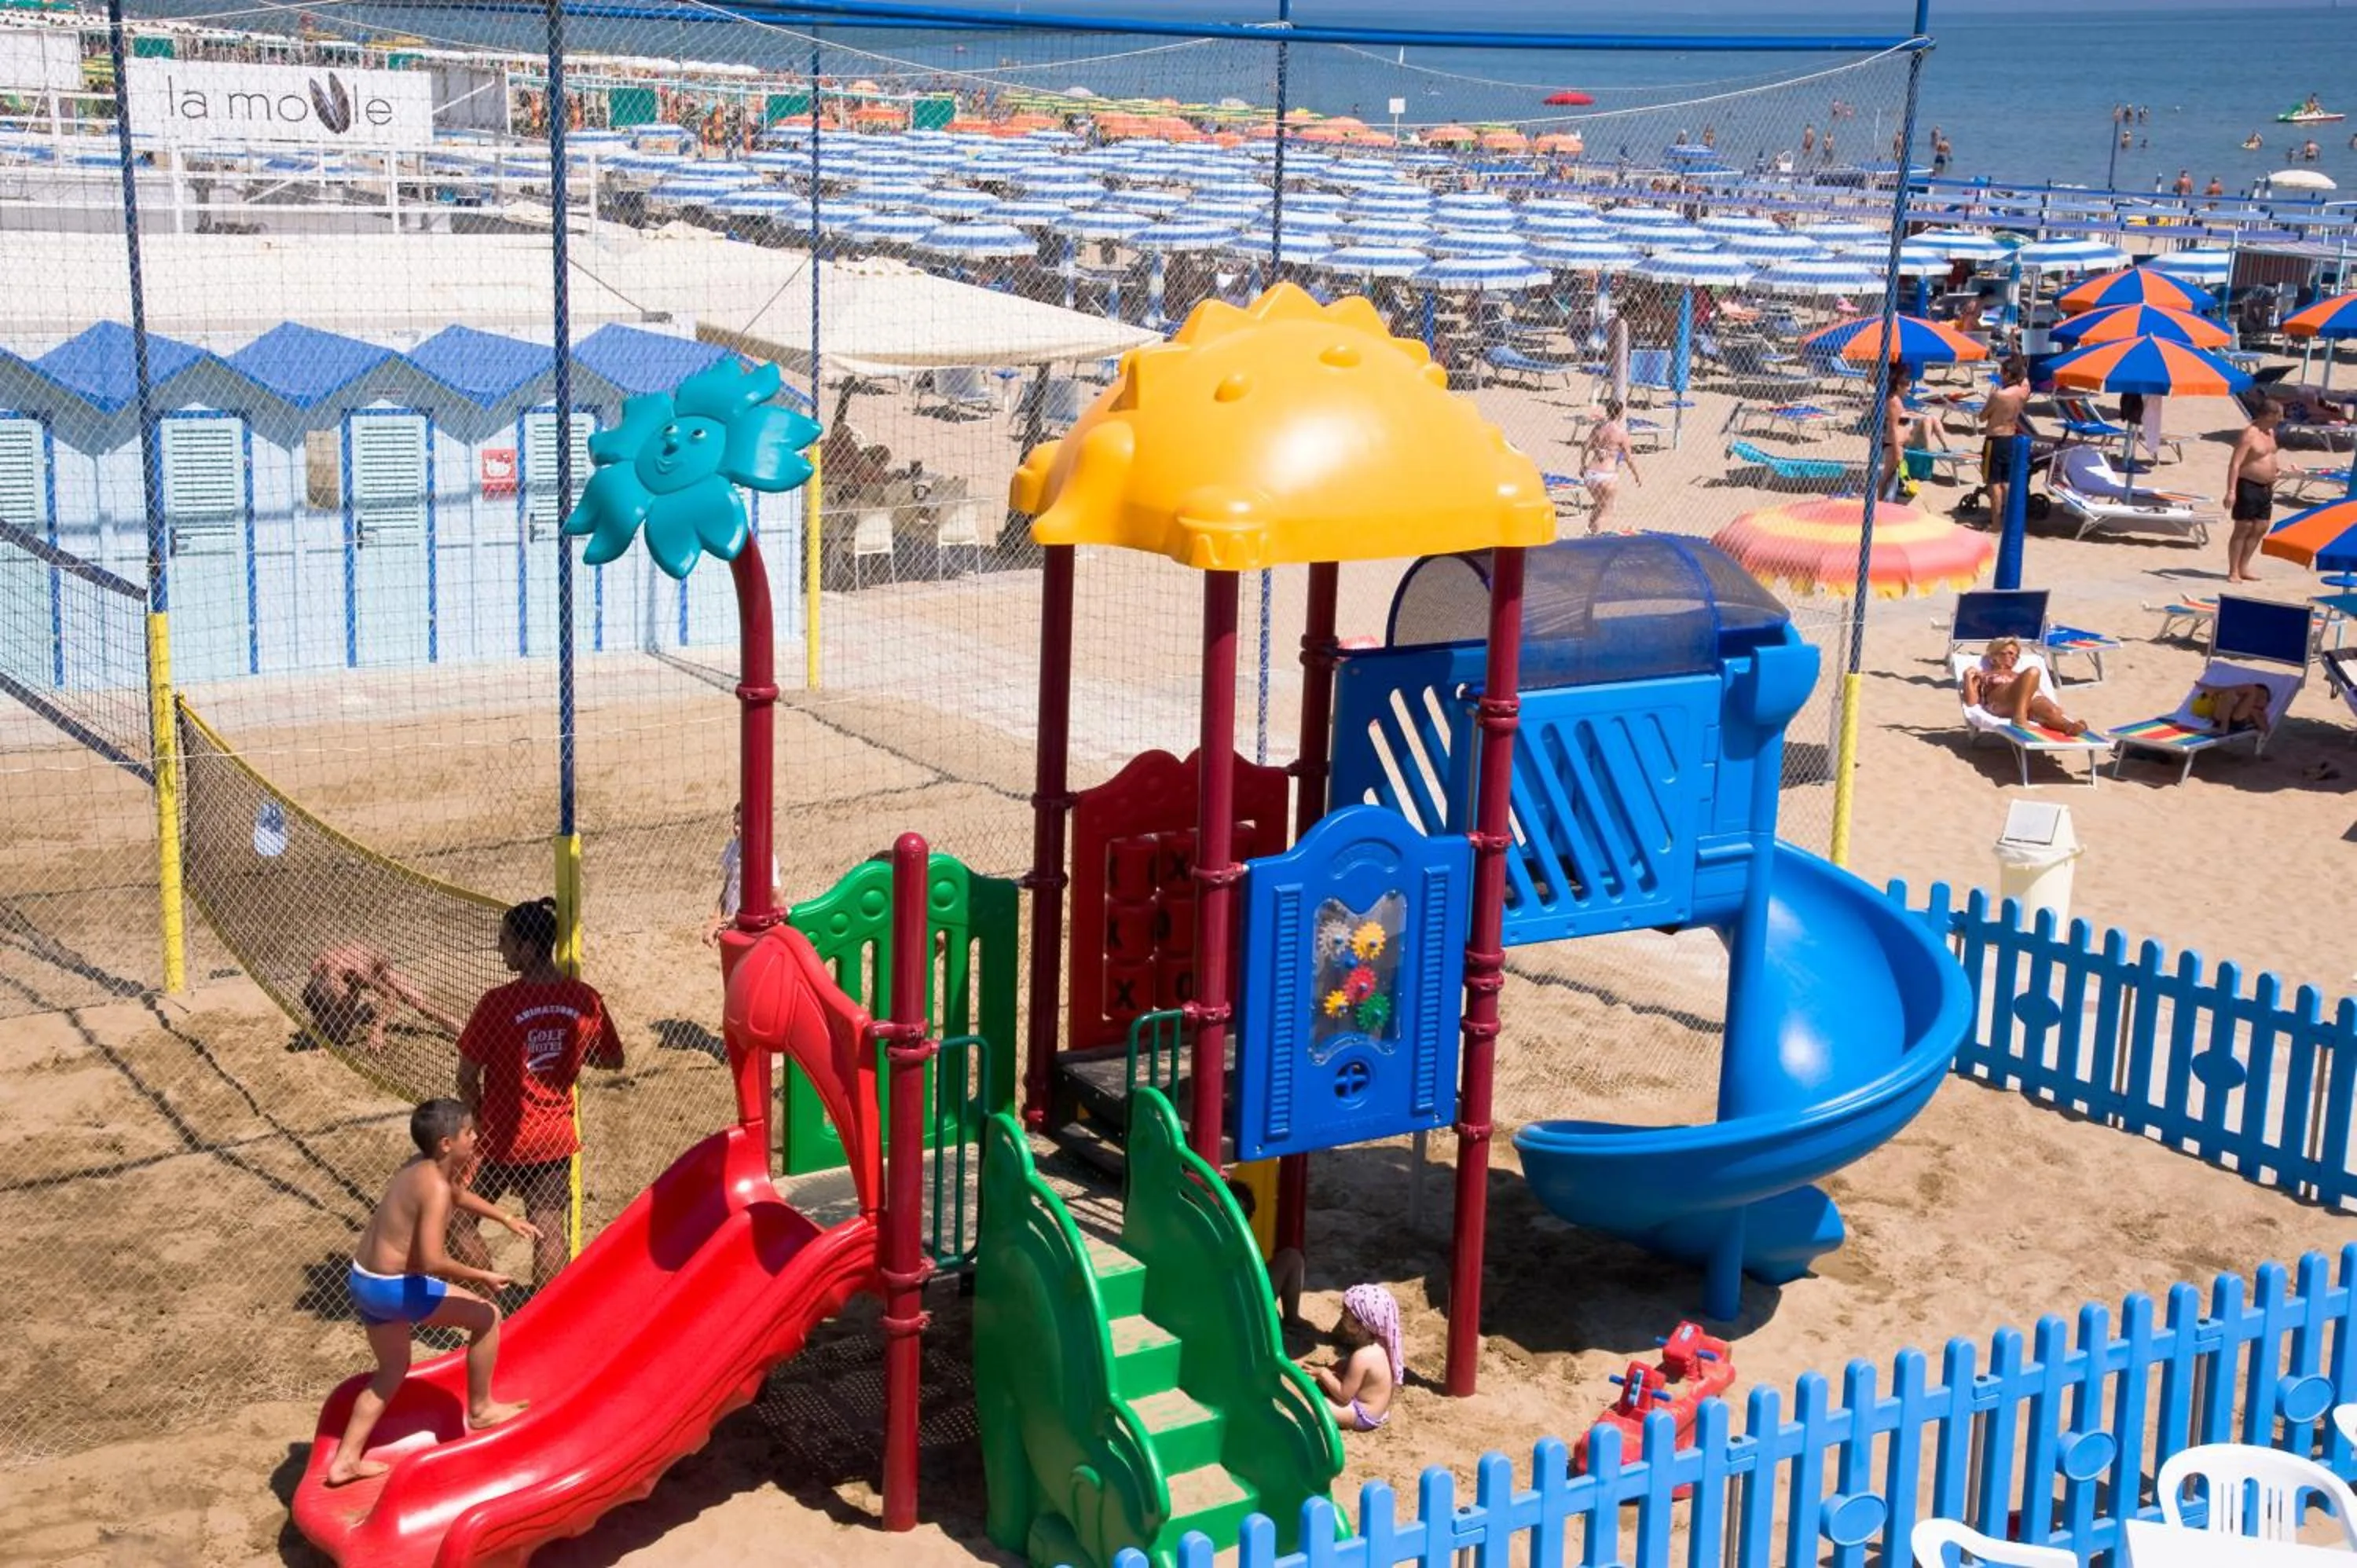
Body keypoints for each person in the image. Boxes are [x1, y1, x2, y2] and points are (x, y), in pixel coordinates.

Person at [325, 1098, 531, 1486]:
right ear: (446, 1143)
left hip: (363, 1280)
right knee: (487, 1316)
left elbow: (457, 1195)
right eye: (469, 1132)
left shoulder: (417, 1169)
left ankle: (345, 1462)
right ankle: (482, 1409)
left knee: (392, 1369)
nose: (476, 1136)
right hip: (393, 1287)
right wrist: (482, 1274)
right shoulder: (435, 1187)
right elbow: (434, 1260)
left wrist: (503, 1216)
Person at [451, 899, 626, 1291]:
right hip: (554, 1137)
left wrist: (476, 1118)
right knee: (549, 1230)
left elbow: (466, 1073)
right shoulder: (584, 999)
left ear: (527, 948)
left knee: (457, 1219)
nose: (500, 949)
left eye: (505, 941)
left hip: (501, 1137)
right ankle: (546, 1319)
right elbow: (613, 1060)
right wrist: (573, 1050)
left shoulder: (498, 1003)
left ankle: (489, 1308)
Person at [302, 943, 464, 1054]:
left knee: (422, 1007)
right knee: (340, 1025)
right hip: (351, 975)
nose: (344, 996)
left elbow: (391, 996)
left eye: (340, 996)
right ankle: (364, 1011)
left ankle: (464, 1032)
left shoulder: (359, 971)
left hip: (377, 971)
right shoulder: (317, 969)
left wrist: (377, 1029)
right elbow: (318, 1006)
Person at [1306, 1284, 1403, 1431]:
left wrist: (1323, 1373)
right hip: (1377, 1408)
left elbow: (1344, 1396)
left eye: (1346, 1314)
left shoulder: (1362, 1357)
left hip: (1364, 1414)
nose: (1342, 1317)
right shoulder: (1382, 1343)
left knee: (1314, 1407)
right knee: (1325, 1384)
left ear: (1361, 1324)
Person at [1964, 639, 2092, 737]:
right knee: (2033, 672)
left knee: (2051, 711)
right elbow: (1971, 702)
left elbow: (2037, 693)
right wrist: (1967, 678)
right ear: (1993, 657)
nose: (2013, 657)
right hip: (2002, 704)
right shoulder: (1984, 675)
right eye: (2008, 653)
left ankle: (2069, 727)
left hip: (2026, 703)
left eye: (2016, 655)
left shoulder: (2019, 676)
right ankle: (2019, 718)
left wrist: (2051, 706)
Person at [1224, 1177, 1306, 1327]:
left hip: (1228, 1304)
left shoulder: (1206, 1233)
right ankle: (1292, 1318)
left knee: (1290, 1257)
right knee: (1292, 1257)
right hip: (1242, 1311)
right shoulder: (1240, 1241)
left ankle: (1289, 1319)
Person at [704, 801, 783, 947]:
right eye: (735, 822)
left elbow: (775, 896)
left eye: (742, 824)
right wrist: (715, 920)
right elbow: (727, 887)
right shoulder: (732, 848)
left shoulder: (765, 856)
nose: (736, 828)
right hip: (731, 925)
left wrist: (780, 929)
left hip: (755, 929)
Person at [2223, 400, 2283, 584]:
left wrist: (2277, 471)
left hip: (2266, 487)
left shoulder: (2270, 432)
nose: (2282, 419)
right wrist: (2231, 491)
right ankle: (2233, 570)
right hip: (2247, 485)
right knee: (2244, 527)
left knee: (2261, 527)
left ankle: (2244, 566)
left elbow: (2270, 456)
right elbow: (2235, 463)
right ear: (2269, 415)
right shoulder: (2250, 434)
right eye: (2280, 415)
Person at [1981, 355, 2033, 527]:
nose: (2001, 376)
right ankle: (2011, 521)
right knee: (2007, 482)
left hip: (1995, 438)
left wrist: (1990, 396)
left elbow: (1982, 417)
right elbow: (2025, 378)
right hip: (2011, 437)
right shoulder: (2023, 392)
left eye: (2002, 373)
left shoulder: (1999, 395)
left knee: (1993, 482)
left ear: (2008, 374)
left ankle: (1996, 523)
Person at [1580, 397, 1642, 533]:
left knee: (1600, 505)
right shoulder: (1621, 433)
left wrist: (1582, 465)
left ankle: (1589, 532)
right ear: (1620, 414)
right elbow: (1628, 458)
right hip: (1607, 475)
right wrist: (1637, 475)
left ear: (1607, 411)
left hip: (1591, 473)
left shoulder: (1598, 428)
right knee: (1606, 510)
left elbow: (1585, 447)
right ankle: (1595, 537)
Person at [2189, 680, 2274, 735]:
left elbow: (2266, 730)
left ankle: (2215, 690)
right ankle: (2224, 726)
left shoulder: (2261, 713)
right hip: (2221, 721)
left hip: (2237, 722)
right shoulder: (2241, 702)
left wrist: (2255, 716)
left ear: (2267, 703)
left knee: (2251, 688)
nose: (2258, 698)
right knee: (2229, 693)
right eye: (2257, 695)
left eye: (2263, 697)